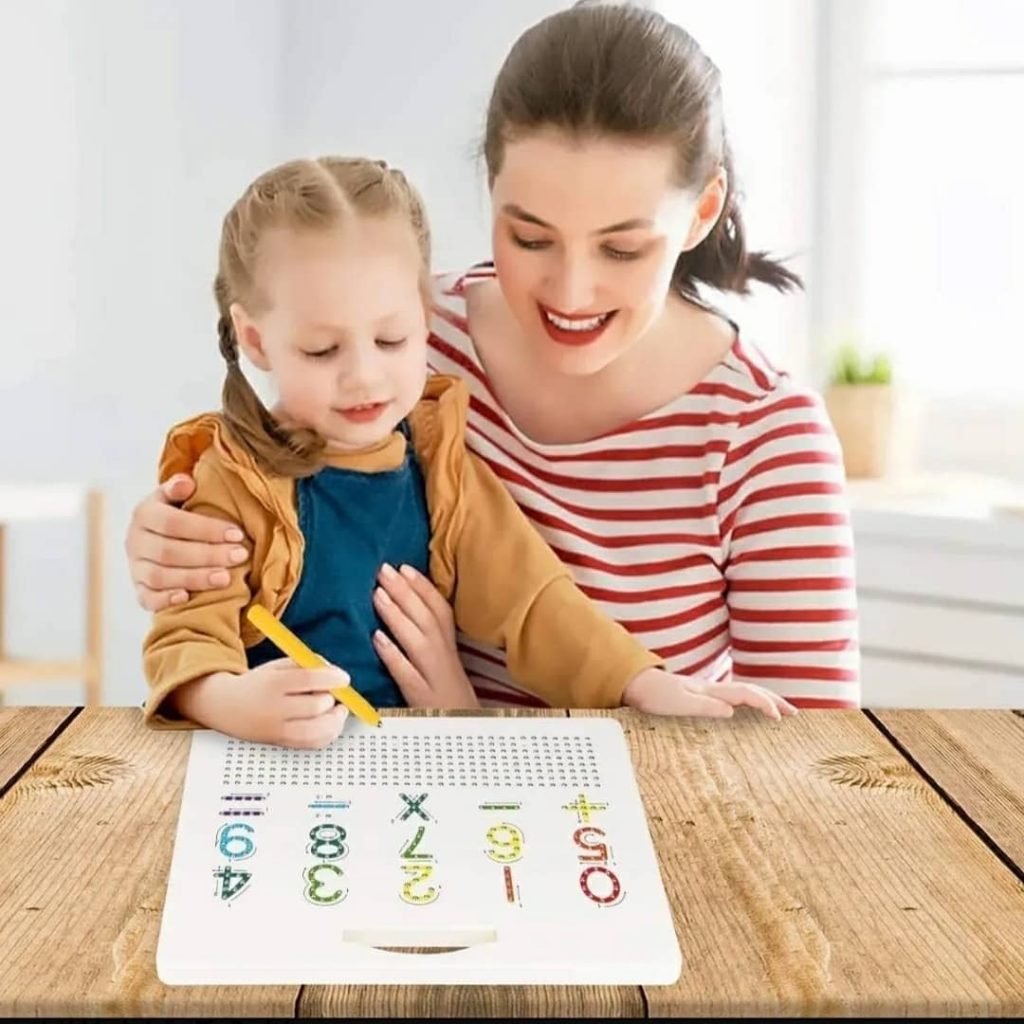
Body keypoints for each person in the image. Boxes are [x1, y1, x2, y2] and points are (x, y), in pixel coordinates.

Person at [126, 2, 859, 718]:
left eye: (621, 248)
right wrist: (173, 542)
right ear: (492, 192)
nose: (571, 292)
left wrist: (468, 723)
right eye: (531, 238)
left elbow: (807, 783)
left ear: (701, 211)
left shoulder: (765, 436)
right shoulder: (409, 343)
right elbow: (249, 510)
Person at [142, 154, 796, 748]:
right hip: (266, 783)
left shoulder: (441, 469)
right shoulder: (228, 479)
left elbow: (535, 603)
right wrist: (231, 702)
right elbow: (186, 637)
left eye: (392, 340)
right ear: (256, 341)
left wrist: (644, 684)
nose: (364, 377)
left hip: (415, 770)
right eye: (322, 350)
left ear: (425, 316)